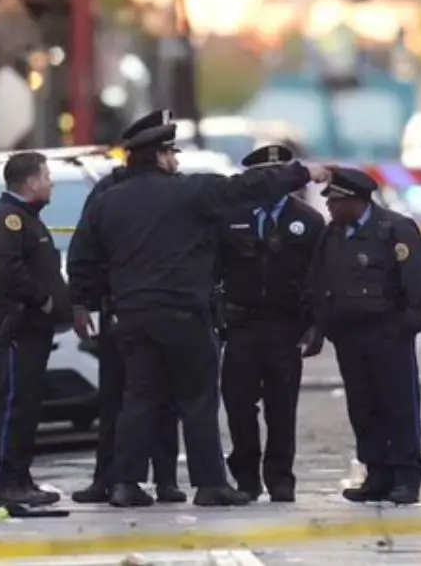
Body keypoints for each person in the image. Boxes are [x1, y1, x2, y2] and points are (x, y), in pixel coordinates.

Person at [67, 110, 331, 508]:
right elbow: (247, 187)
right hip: (183, 313)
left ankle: (125, 483)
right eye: (171, 152)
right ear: (158, 156)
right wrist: (303, 173)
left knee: (139, 398)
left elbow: (84, 255)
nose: (176, 160)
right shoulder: (190, 192)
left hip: (133, 315)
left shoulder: (108, 201)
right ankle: (210, 484)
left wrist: (83, 302)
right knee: (197, 398)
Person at [305, 167, 421, 505]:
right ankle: (376, 473)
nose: (331, 209)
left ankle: (405, 476)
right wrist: (324, 327)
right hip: (350, 337)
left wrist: (406, 326)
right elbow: (319, 281)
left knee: (397, 405)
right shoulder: (332, 235)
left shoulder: (394, 230)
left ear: (357, 200)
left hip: (388, 335)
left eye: (336, 202)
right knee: (363, 407)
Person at [72, 113, 184, 505]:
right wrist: (83, 301)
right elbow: (85, 251)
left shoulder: (175, 189)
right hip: (119, 308)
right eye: (168, 150)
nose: (174, 158)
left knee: (163, 399)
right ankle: (108, 477)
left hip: (149, 308)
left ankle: (166, 478)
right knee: (115, 399)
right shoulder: (107, 191)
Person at [216, 143, 325, 503]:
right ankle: (245, 475)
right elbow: (213, 270)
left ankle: (280, 477)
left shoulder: (307, 221)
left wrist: (315, 326)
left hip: (285, 326)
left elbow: (318, 279)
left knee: (282, 407)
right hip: (241, 325)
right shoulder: (232, 216)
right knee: (238, 404)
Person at [0, 151, 71, 507]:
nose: (51, 183)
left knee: (27, 405)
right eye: (46, 176)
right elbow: (8, 270)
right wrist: (43, 299)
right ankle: (4, 482)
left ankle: (20, 477)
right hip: (18, 328)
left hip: (32, 329)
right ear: (30, 182)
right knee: (15, 404)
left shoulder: (25, 218)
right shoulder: (9, 220)